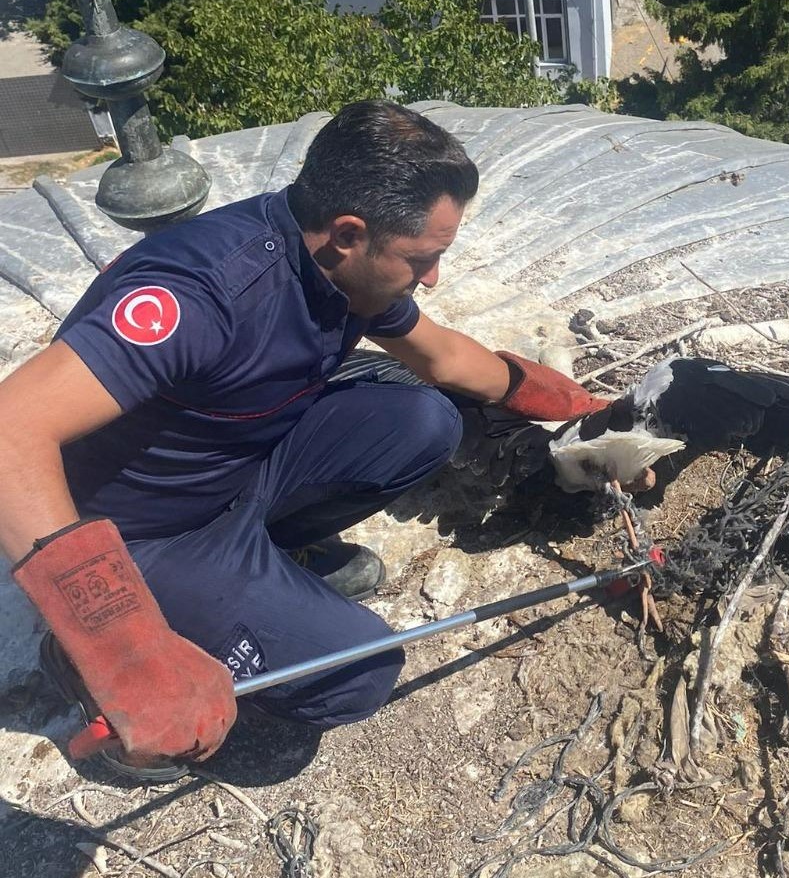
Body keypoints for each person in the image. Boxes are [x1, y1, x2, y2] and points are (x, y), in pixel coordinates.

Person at [0, 100, 611, 777]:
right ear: (350, 232)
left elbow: (442, 358)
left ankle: (268, 559)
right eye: (423, 258)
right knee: (354, 677)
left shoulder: (342, 269)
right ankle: (93, 681)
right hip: (145, 534)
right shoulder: (207, 294)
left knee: (425, 420)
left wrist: (577, 408)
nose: (433, 276)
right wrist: (120, 645)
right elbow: (10, 428)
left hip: (239, 472)